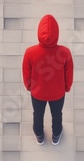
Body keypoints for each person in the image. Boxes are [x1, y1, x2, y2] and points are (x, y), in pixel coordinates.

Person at [22, 14, 74, 145]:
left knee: (38, 114)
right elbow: (69, 73)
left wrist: (29, 87)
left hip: (37, 92)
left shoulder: (30, 52)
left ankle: (39, 135)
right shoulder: (65, 52)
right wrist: (66, 87)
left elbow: (26, 73)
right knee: (57, 114)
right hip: (57, 93)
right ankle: (56, 135)